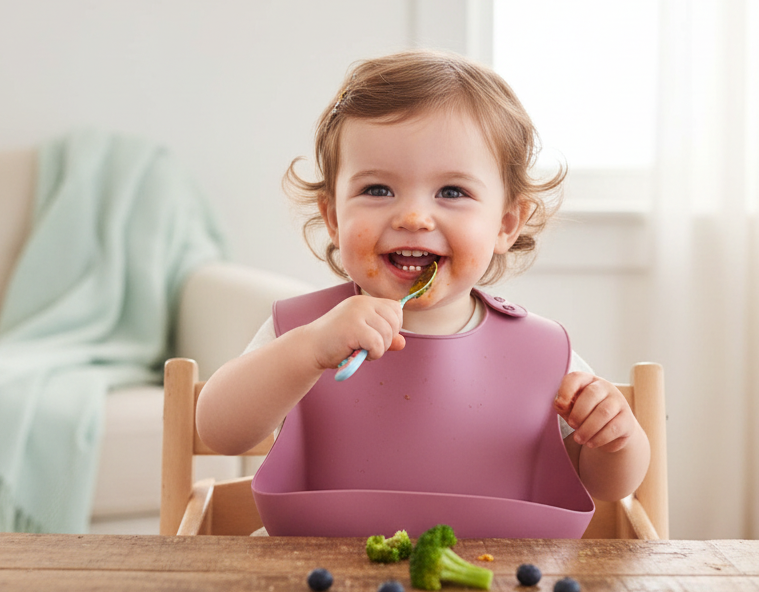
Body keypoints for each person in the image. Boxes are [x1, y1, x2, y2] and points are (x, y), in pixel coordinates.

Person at [196, 50, 649, 525]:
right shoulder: (307, 333)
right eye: (377, 189)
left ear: (506, 223)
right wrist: (307, 351)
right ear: (333, 217)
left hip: (497, 589)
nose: (413, 217)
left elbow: (608, 488)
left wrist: (617, 439)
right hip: (319, 584)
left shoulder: (540, 352)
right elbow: (219, 431)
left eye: (452, 192)